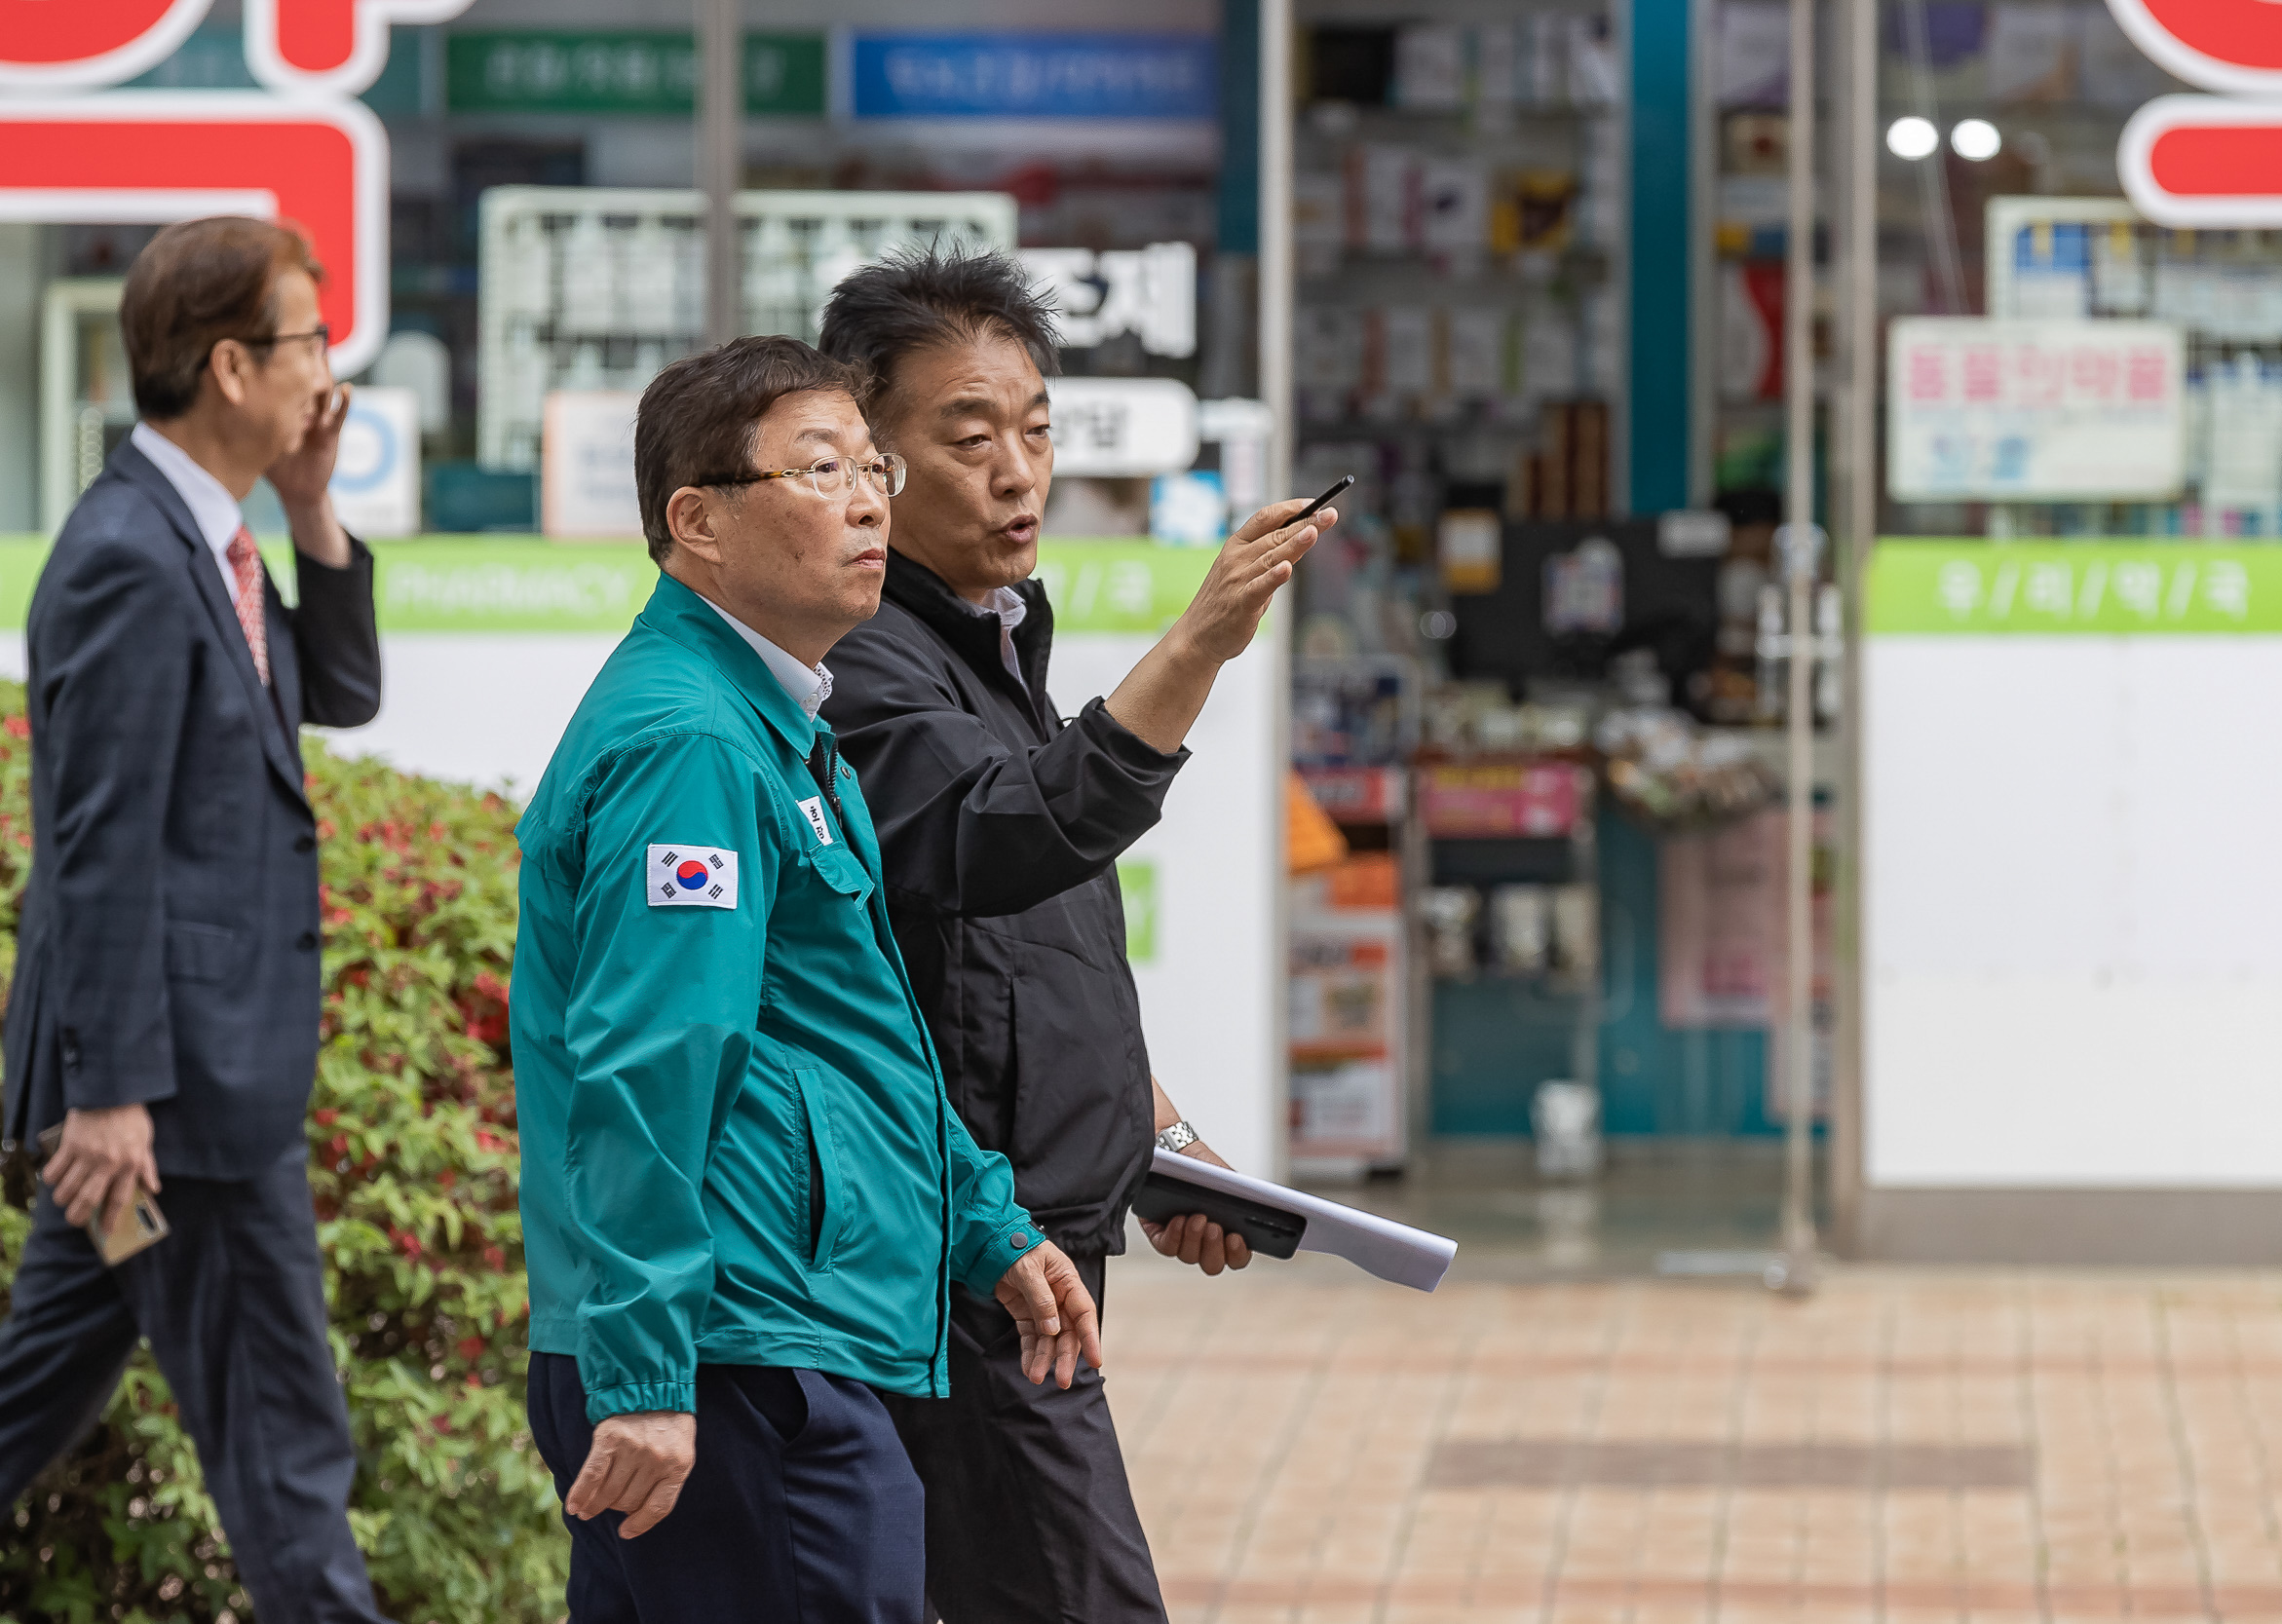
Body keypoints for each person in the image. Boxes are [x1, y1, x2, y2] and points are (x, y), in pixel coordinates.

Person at [510, 335, 1104, 1623]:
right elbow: (650, 1068)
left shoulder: (775, 725)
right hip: (727, 1353)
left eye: (870, 465)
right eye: (818, 467)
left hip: (755, 1338)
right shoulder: (694, 746)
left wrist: (985, 1225)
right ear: (697, 523)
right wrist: (651, 1375)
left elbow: (849, 1033)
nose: (869, 498)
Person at [818, 246, 1333, 1623]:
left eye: (1036, 430)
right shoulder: (859, 663)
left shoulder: (990, 642)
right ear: (866, 459)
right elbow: (1014, 833)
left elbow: (1029, 957)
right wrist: (1204, 642)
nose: (1016, 471)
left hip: (1034, 1242)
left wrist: (1151, 1147)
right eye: (968, 435)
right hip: (964, 1261)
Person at [0, 216, 386, 1621]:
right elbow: (98, 849)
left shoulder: (204, 537)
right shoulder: (130, 554)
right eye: (307, 342)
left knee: (44, 1382)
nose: (325, 372)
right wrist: (111, 1099)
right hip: (176, 1107)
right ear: (231, 365)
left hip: (175, 1097)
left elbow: (337, 697)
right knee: (287, 1445)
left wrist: (312, 507)